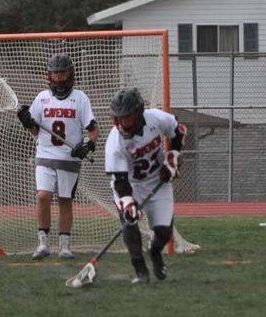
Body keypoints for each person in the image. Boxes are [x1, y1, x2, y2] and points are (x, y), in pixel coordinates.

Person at [16, 54, 98, 260]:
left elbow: (93, 130)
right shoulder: (41, 98)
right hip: (45, 156)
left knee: (65, 200)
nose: (59, 77)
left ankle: (64, 246)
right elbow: (35, 131)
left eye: (62, 72)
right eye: (55, 73)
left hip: (69, 159)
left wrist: (87, 145)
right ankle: (43, 243)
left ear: (70, 73)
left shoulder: (80, 98)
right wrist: (27, 122)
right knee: (43, 196)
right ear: (49, 75)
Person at [104, 86, 184, 284]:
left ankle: (155, 252)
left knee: (164, 232)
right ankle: (141, 271)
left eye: (127, 117)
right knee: (130, 222)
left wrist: (172, 157)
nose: (122, 123)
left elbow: (177, 131)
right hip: (128, 184)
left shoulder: (156, 118)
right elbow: (120, 181)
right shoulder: (115, 143)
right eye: (119, 118)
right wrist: (128, 203)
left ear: (139, 112)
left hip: (157, 180)